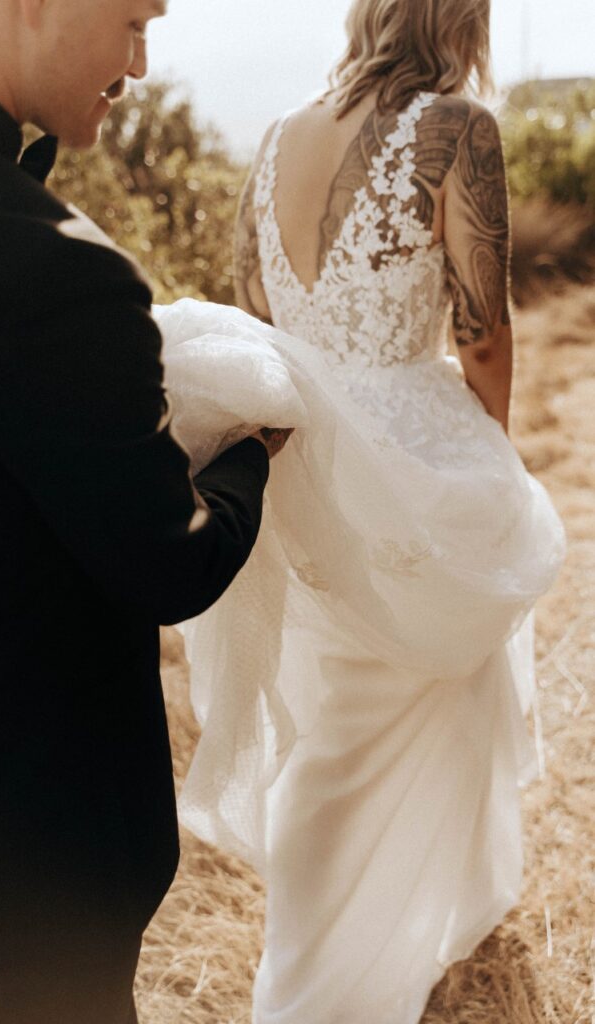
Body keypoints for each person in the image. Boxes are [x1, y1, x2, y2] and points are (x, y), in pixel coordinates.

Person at [155, 0, 566, 1021]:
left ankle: (330, 953)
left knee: (324, 726)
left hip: (300, 460)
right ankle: (355, 971)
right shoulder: (454, 128)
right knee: (413, 696)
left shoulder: (276, 134)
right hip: (414, 459)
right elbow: (481, 326)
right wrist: (490, 458)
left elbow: (254, 306)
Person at [0, 2, 290, 1022]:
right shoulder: (51, 265)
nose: (137, 62)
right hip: (40, 847)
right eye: (131, 18)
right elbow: (172, 563)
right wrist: (249, 459)